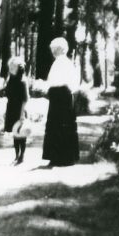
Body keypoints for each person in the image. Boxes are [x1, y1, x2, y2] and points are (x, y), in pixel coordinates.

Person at [42, 37, 80, 167]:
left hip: (61, 96)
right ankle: (63, 157)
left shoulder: (61, 63)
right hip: (62, 96)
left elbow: (57, 82)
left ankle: (60, 157)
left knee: (58, 125)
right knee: (62, 125)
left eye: (54, 49)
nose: (52, 51)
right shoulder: (65, 63)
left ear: (59, 49)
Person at [4, 57, 29, 165]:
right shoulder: (11, 79)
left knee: (21, 134)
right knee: (15, 133)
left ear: (18, 68)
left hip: (20, 109)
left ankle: (22, 156)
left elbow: (25, 99)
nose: (10, 68)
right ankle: (16, 155)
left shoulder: (23, 81)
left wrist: (22, 113)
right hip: (11, 108)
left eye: (12, 67)